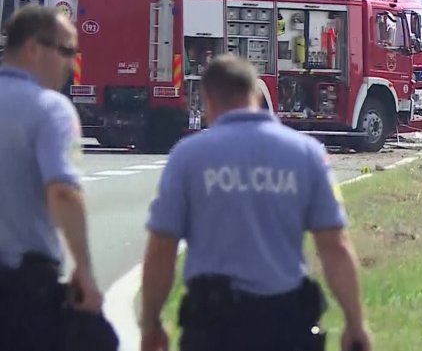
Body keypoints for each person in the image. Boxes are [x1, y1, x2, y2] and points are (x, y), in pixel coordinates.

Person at [140, 54, 371, 351]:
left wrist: (151, 323)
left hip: (213, 328)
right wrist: (355, 323)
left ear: (208, 98)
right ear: (256, 94)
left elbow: (161, 248)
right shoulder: (307, 154)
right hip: (286, 325)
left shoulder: (187, 157)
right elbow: (334, 245)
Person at [0, 5, 103, 350]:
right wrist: (85, 270)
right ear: (33, 48)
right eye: (66, 51)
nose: (71, 63)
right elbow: (62, 192)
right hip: (19, 287)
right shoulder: (50, 109)